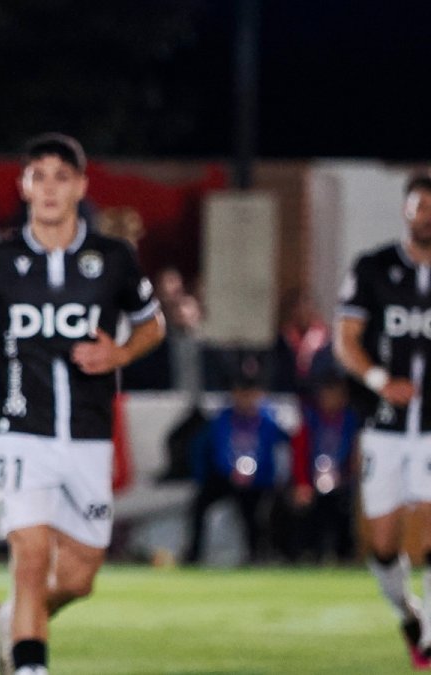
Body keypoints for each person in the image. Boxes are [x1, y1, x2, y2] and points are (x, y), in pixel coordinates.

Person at [0, 133, 164, 675]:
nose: (50, 188)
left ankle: (12, 620)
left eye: (62, 177)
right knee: (29, 557)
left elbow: (155, 325)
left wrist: (119, 351)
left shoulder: (114, 258)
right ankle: (31, 666)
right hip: (18, 429)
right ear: (23, 185)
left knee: (79, 577)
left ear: (80, 185)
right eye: (40, 176)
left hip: (88, 433)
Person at [333, 171, 431, 668]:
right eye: (420, 206)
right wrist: (377, 379)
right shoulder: (374, 268)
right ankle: (409, 612)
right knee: (384, 541)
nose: (427, 215)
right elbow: (345, 340)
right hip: (385, 426)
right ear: (405, 210)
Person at [183, 367, 287, 565]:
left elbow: (275, 455)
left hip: (259, 480)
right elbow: (218, 450)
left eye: (250, 392)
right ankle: (194, 555)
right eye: (241, 392)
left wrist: (257, 477)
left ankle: (257, 555)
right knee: (199, 504)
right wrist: (232, 471)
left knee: (255, 512)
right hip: (227, 476)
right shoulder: (222, 420)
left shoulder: (269, 421)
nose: (246, 398)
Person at [285, 373, 359, 563]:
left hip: (343, 481)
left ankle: (344, 554)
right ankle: (307, 553)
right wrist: (302, 483)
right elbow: (299, 454)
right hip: (311, 480)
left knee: (342, 506)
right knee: (305, 505)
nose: (331, 400)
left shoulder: (352, 420)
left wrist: (345, 477)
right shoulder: (309, 420)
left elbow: (356, 454)